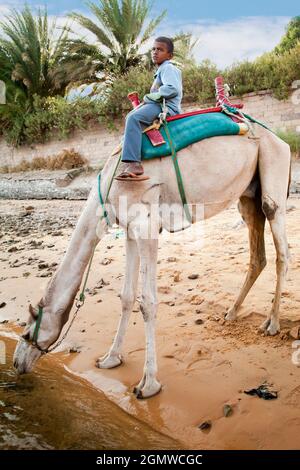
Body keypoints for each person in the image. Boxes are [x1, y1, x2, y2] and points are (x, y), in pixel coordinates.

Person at [115, 36, 183, 181]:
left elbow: (172, 89)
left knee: (133, 118)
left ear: (169, 55)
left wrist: (149, 97)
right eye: (153, 49)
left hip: (165, 108)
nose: (155, 52)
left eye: (160, 49)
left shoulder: (168, 68)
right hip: (158, 105)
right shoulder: (161, 70)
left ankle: (134, 165)